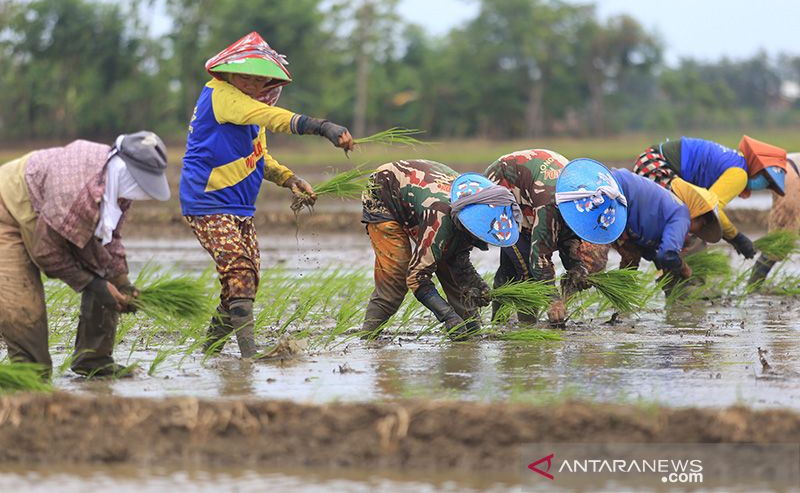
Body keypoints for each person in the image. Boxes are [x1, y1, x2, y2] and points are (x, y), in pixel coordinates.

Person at [180, 32, 354, 358]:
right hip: (207, 202)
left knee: (245, 281)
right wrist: (323, 127)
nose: (251, 84)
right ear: (229, 72)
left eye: (259, 80)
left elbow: (260, 156)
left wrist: (290, 179)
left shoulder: (251, 109)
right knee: (240, 273)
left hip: (240, 206)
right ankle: (250, 357)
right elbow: (274, 119)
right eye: (245, 76)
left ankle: (210, 352)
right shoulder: (220, 95)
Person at [0, 132, 170, 377]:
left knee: (110, 276)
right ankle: (29, 384)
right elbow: (47, 253)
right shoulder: (78, 192)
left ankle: (94, 361)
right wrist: (93, 285)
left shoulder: (118, 187)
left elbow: (110, 239)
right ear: (127, 171)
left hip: (50, 213)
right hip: (8, 212)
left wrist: (122, 283)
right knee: (24, 310)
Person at [361, 160, 521, 339]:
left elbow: (458, 261)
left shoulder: (474, 212)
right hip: (385, 191)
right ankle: (368, 337)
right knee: (396, 279)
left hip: (422, 195)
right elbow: (416, 277)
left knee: (450, 265)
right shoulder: (441, 218)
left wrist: (477, 285)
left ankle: (471, 334)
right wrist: (447, 317)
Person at [555, 159, 723, 298]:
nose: (692, 232)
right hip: (611, 196)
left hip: (615, 195)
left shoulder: (669, 209)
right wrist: (683, 268)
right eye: (698, 226)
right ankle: (561, 303)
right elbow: (668, 253)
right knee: (593, 263)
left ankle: (621, 300)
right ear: (698, 216)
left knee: (631, 259)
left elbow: (653, 251)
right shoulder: (682, 214)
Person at [484, 149, 608, 325]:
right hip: (502, 190)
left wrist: (577, 267)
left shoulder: (583, 202)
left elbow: (567, 237)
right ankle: (527, 329)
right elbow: (539, 257)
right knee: (527, 270)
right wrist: (553, 300)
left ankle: (498, 323)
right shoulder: (550, 205)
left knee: (510, 267)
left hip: (530, 195)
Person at [633, 135, 787, 259]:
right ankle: (688, 291)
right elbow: (712, 208)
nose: (765, 186)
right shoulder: (740, 173)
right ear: (758, 170)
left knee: (684, 227)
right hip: (657, 167)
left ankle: (682, 285)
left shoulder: (732, 160)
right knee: (689, 232)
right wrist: (737, 238)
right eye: (767, 181)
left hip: (650, 162)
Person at [749, 152, 800, 285]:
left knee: (780, 236)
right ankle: (754, 284)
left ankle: (754, 284)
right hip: (790, 175)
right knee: (782, 240)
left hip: (783, 171)